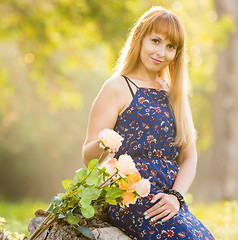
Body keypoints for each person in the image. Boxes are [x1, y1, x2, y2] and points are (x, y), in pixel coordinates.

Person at [82, 6, 215, 240]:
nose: (161, 52)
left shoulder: (174, 94)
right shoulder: (117, 87)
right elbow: (88, 157)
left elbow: (189, 157)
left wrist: (176, 196)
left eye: (170, 46)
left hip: (169, 201)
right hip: (131, 197)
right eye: (155, 41)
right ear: (140, 38)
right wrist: (105, 143)